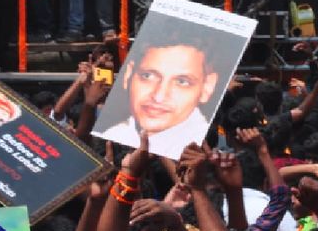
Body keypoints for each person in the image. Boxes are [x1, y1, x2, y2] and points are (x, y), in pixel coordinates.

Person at [94, 31, 227, 159]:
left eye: (182, 82)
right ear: (128, 75)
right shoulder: (112, 135)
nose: (159, 96)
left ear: (207, 87)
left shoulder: (206, 146)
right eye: (148, 76)